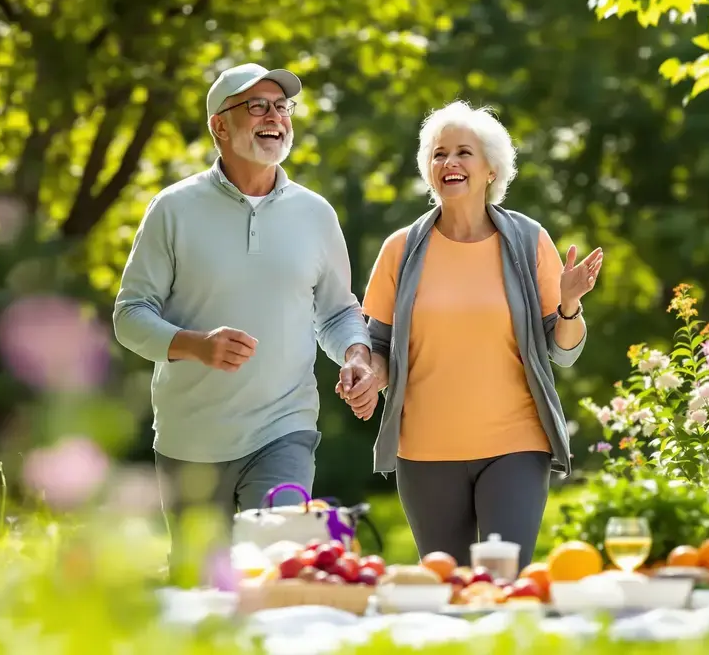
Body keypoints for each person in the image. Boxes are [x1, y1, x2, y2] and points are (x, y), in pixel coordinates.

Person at [113, 63, 376, 581]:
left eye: (281, 107)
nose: (274, 117)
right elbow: (129, 315)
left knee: (282, 568)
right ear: (220, 126)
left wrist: (357, 355)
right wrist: (195, 345)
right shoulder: (173, 209)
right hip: (191, 437)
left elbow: (338, 310)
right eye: (256, 106)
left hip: (285, 426)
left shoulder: (315, 213)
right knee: (197, 586)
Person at [343, 101, 603, 572]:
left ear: (491, 170)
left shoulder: (527, 241)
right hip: (425, 451)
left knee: (505, 581)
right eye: (439, 154)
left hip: (516, 445)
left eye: (464, 152)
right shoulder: (400, 250)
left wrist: (568, 304)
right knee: (447, 587)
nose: (450, 163)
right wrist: (365, 375)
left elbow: (563, 352)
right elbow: (377, 348)